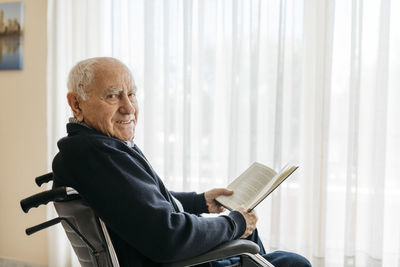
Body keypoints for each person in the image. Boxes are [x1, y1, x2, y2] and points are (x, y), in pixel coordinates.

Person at [52, 57, 311, 267]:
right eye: (112, 96)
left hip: (166, 257)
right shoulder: (98, 155)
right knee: (293, 262)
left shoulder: (95, 149)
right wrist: (235, 223)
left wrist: (200, 201)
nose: (129, 108)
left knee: (252, 240)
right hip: (174, 262)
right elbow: (166, 237)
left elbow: (139, 203)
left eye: (131, 94)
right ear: (76, 104)